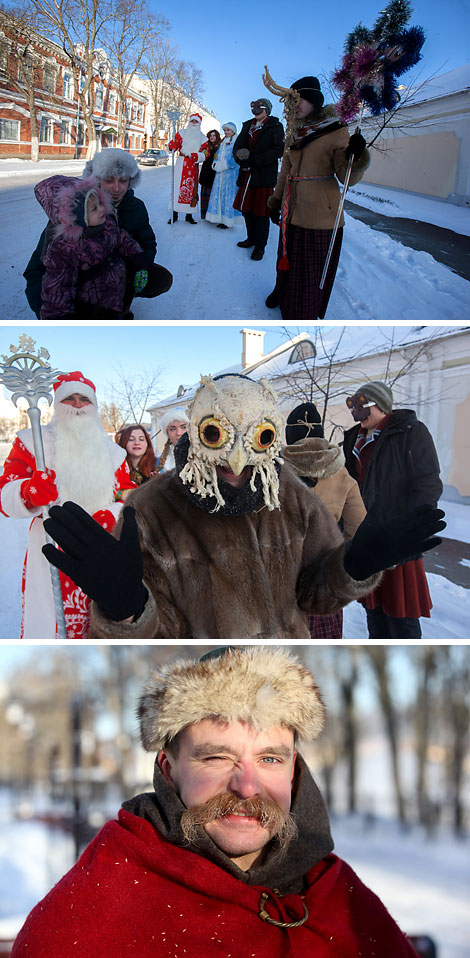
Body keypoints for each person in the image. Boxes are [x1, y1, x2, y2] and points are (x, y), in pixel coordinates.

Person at [11, 646, 421, 957]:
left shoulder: (337, 894)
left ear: (294, 769)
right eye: (217, 757)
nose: (246, 787)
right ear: (169, 770)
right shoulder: (97, 907)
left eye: (269, 759)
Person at [40, 374, 445, 640]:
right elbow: (156, 641)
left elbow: (312, 595)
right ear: (196, 433)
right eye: (216, 434)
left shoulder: (288, 495)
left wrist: (350, 566)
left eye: (259, 437)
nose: (237, 460)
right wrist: (129, 611)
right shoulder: (151, 509)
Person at [0, 371, 135, 639]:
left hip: (102, 542)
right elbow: (5, 492)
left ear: (93, 406)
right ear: (57, 404)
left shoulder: (113, 453)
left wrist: (112, 514)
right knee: (51, 622)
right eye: (69, 398)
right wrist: (28, 491)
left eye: (83, 399)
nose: (76, 404)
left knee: (100, 618)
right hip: (52, 541)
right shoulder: (32, 442)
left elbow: (127, 495)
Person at [262, 75, 370, 319]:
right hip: (292, 211)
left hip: (320, 215)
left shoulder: (336, 130)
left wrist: (357, 155)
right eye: (291, 103)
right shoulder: (294, 133)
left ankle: (301, 313)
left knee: (308, 272)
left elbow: (347, 178)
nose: (294, 107)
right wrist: (276, 201)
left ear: (313, 101)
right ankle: (282, 292)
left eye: (298, 100)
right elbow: (285, 173)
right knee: (285, 260)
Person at [342, 381, 443, 639]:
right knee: (373, 610)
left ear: (383, 406)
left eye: (363, 407)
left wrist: (411, 530)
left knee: (401, 614)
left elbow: (427, 481)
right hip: (366, 536)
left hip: (397, 535)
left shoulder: (411, 432)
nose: (357, 415)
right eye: (354, 408)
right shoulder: (353, 438)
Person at [24, 148, 172, 319]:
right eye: (109, 180)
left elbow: (147, 243)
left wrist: (142, 267)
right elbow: (37, 269)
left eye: (123, 180)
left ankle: (120, 307)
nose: (117, 188)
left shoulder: (135, 207)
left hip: (116, 271)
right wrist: (49, 311)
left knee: (161, 279)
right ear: (96, 179)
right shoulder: (77, 211)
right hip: (82, 280)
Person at [281, 402, 366, 640]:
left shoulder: (275, 472)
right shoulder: (342, 475)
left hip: (282, 578)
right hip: (323, 579)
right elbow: (358, 529)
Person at [34, 175, 148, 321]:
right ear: (75, 216)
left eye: (100, 203)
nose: (102, 209)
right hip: (91, 306)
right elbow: (58, 288)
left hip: (116, 289)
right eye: (94, 208)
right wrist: (60, 318)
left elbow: (124, 240)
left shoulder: (106, 225)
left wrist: (139, 261)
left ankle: (123, 312)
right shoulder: (64, 248)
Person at [232, 98, 284, 260]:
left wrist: (256, 160)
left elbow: (278, 150)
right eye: (254, 108)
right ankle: (251, 239)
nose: (256, 111)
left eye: (260, 108)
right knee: (247, 210)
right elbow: (238, 146)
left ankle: (260, 247)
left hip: (263, 175)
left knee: (261, 213)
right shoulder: (247, 125)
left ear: (267, 110)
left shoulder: (275, 126)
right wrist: (242, 158)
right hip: (247, 174)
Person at [167, 113, 208, 224]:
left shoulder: (203, 138)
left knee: (190, 189)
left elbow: (206, 152)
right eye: (192, 121)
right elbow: (175, 145)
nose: (194, 123)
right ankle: (174, 214)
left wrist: (198, 156)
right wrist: (171, 146)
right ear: (189, 122)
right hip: (181, 163)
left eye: (196, 122)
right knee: (176, 188)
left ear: (199, 123)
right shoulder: (181, 133)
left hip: (192, 165)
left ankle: (188, 216)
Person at [206, 122, 242, 229]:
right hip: (220, 174)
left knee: (228, 197)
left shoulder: (236, 142)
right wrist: (215, 163)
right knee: (219, 196)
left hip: (230, 174)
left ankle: (228, 220)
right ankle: (219, 218)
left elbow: (237, 158)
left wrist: (225, 165)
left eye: (228, 130)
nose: (226, 132)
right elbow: (217, 155)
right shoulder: (223, 142)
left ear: (233, 131)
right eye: (225, 130)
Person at [154, 407, 189, 473]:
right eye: (172, 429)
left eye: (184, 427)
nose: (178, 433)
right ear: (167, 433)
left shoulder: (204, 458)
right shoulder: (160, 462)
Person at [199, 129, 221, 219]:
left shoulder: (220, 147)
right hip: (205, 173)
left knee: (213, 197)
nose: (212, 137)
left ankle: (212, 216)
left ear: (217, 137)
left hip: (214, 174)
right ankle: (204, 215)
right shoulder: (206, 146)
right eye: (210, 135)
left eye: (214, 135)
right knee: (204, 196)